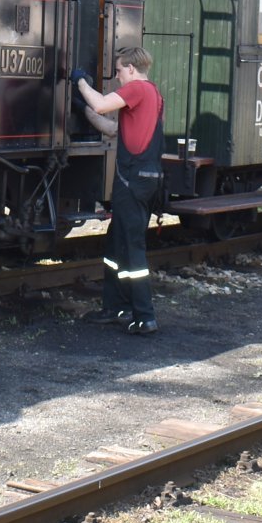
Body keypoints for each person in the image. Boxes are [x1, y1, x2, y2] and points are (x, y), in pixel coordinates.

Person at [74, 46, 165, 333]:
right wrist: (82, 108)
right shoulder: (151, 95)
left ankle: (145, 316)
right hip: (141, 180)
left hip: (133, 182)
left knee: (133, 248)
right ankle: (116, 307)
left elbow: (102, 105)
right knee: (116, 244)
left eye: (118, 71)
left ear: (131, 68)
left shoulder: (138, 88)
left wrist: (80, 82)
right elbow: (110, 127)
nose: (117, 77)